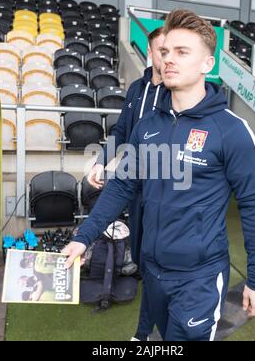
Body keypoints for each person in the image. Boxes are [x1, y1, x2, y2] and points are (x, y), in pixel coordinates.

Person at [63, 9, 255, 341]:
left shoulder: (231, 130)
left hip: (198, 278)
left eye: (182, 52)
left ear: (207, 64)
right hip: (153, 272)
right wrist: (83, 236)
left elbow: (254, 205)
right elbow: (121, 187)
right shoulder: (148, 126)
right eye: (165, 51)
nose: (168, 59)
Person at [87, 26, 165, 341]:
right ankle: (149, 327)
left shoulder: (178, 92)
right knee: (143, 259)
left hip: (166, 189)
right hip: (134, 187)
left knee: (160, 262)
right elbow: (120, 131)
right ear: (149, 51)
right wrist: (100, 160)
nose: (165, 57)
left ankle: (146, 331)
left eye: (171, 50)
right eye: (160, 50)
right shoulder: (135, 88)